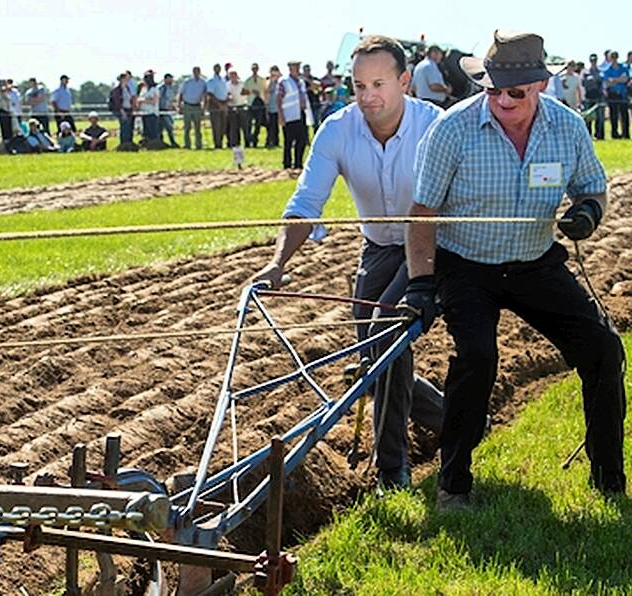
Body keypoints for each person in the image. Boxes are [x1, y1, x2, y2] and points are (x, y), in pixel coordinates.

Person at [405, 30, 626, 510]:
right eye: (492, 88)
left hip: (534, 261)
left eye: (515, 91)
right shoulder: (451, 129)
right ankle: (453, 484)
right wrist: (422, 282)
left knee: (604, 350)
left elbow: (593, 188)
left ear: (541, 85)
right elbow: (421, 212)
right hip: (466, 265)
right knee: (478, 359)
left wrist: (587, 213)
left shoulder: (567, 128)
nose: (502, 99)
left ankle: (609, 479)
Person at [253, 35, 445, 493]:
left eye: (378, 83)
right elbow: (305, 204)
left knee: (386, 328)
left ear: (404, 82)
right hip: (378, 245)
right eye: (359, 85)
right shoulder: (337, 130)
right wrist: (277, 263)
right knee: (375, 354)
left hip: (433, 245)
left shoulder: (435, 126)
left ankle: (391, 468)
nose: (367, 96)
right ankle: (459, 419)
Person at [277, 60, 309, 170]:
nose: (297, 69)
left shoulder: (301, 82)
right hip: (289, 115)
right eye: (295, 67)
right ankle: (287, 164)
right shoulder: (284, 81)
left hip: (300, 114)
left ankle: (298, 163)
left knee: (302, 140)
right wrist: (281, 116)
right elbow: (279, 99)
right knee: (288, 141)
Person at [602, 51, 629, 139]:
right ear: (610, 58)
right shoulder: (607, 70)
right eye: (612, 57)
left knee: (624, 115)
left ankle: (626, 134)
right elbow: (607, 83)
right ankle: (615, 134)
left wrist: (613, 80)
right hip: (612, 94)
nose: (614, 59)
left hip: (623, 94)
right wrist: (619, 79)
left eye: (615, 57)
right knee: (614, 115)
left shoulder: (624, 68)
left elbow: (625, 79)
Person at [179, 66, 206, 149]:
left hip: (197, 106)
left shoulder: (203, 82)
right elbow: (181, 94)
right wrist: (179, 106)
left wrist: (203, 108)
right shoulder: (187, 82)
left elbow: (205, 95)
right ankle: (187, 144)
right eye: (195, 71)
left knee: (198, 127)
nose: (196, 73)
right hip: (187, 106)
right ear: (193, 72)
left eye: (198, 71)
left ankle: (198, 145)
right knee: (187, 127)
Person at [243, 63, 267, 148]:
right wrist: (251, 91)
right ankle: (248, 141)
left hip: (260, 104)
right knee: (248, 125)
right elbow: (243, 92)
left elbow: (266, 91)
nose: (254, 70)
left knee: (258, 125)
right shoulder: (248, 80)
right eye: (253, 68)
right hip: (250, 104)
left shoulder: (262, 80)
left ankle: (255, 141)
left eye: (256, 68)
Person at [583, 54, 606, 140]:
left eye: (595, 60)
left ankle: (599, 135)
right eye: (592, 60)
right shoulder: (586, 72)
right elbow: (584, 83)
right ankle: (588, 135)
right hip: (588, 97)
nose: (593, 62)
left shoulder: (600, 72)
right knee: (588, 118)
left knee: (600, 118)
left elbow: (602, 81)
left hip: (599, 97)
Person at [207, 63, 229, 149]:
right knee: (216, 125)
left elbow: (227, 92)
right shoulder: (211, 81)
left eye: (219, 68)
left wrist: (225, 103)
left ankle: (221, 142)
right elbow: (210, 94)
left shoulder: (223, 80)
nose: (218, 70)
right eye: (216, 68)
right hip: (215, 104)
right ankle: (217, 144)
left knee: (223, 126)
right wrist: (219, 104)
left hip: (224, 103)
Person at [226, 70, 249, 147]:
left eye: (234, 75)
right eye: (231, 76)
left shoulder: (242, 83)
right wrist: (229, 97)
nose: (233, 77)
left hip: (242, 106)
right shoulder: (227, 85)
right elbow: (227, 94)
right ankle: (235, 143)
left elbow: (247, 92)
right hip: (232, 107)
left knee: (245, 127)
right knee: (234, 127)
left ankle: (247, 143)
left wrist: (245, 93)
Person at [158, 73, 180, 148]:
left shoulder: (171, 89)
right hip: (161, 110)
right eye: (170, 78)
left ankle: (171, 142)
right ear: (166, 79)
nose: (171, 80)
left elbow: (171, 100)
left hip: (168, 111)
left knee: (169, 127)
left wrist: (174, 106)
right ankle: (164, 142)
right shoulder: (161, 88)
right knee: (165, 127)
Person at [140, 71, 161, 143]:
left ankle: (154, 144)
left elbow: (154, 102)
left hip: (152, 113)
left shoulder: (155, 89)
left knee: (153, 132)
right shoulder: (143, 89)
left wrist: (143, 101)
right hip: (144, 113)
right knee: (146, 132)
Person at [302, 64, 322, 130]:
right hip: (306, 104)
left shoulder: (314, 78)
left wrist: (308, 80)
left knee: (316, 123)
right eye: (305, 70)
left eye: (308, 70)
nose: (307, 71)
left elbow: (318, 85)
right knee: (305, 124)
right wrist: (309, 88)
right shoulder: (301, 81)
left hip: (315, 103)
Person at [265, 66, 281, 148]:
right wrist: (272, 80)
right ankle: (269, 142)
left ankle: (276, 141)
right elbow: (268, 90)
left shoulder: (280, 81)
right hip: (271, 108)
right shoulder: (269, 81)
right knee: (271, 127)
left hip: (279, 108)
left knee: (277, 127)